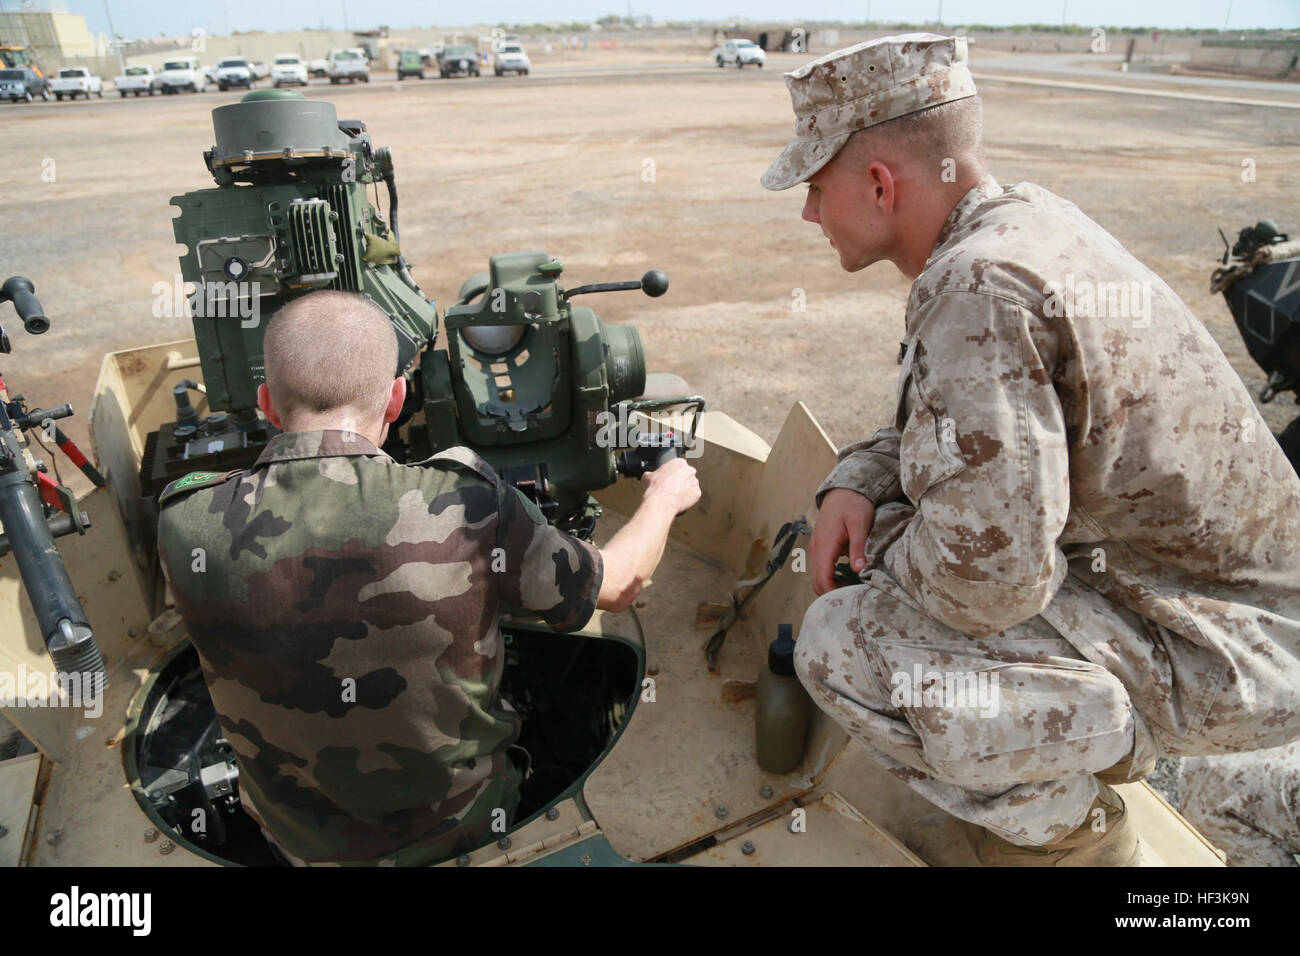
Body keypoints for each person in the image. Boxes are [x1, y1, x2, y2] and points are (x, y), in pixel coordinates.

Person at [761, 34, 1300, 865]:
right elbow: (957, 438)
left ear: (878, 184)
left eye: (815, 186)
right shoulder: (1019, 228)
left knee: (841, 643)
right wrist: (859, 482)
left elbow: (990, 587)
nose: (806, 212)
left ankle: (1090, 844)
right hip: (1229, 609)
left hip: (1225, 653)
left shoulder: (979, 289)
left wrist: (885, 554)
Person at [155, 290, 700, 866]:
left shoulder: (185, 521)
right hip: (467, 836)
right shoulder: (465, 502)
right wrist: (663, 499)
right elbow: (615, 588)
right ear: (395, 399)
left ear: (266, 403)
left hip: (295, 845)